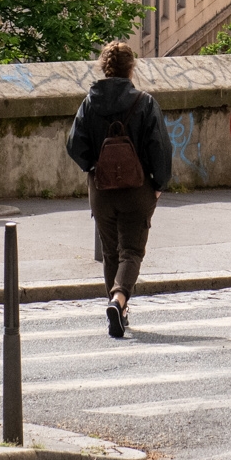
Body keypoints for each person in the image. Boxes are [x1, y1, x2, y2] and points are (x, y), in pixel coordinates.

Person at [67, 40, 169, 338]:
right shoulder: (144, 102)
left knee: (111, 252)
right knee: (132, 251)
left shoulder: (90, 102)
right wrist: (159, 184)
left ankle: (118, 311)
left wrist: (92, 167)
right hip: (137, 189)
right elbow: (160, 147)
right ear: (131, 69)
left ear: (105, 67)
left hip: (102, 189)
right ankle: (119, 298)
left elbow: (74, 144)